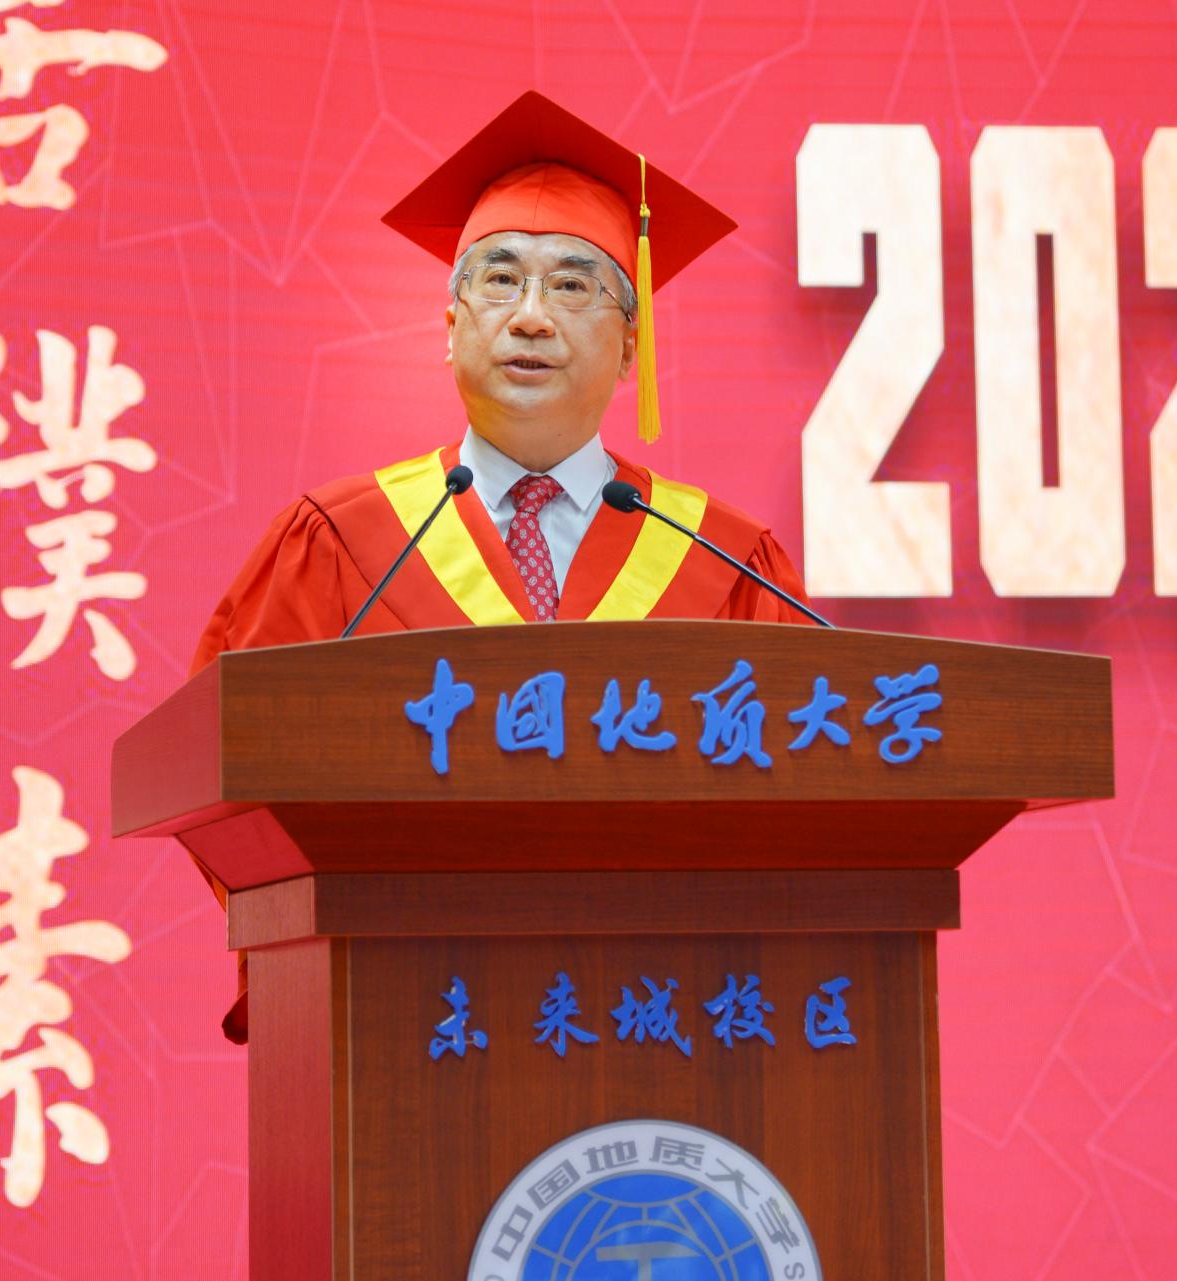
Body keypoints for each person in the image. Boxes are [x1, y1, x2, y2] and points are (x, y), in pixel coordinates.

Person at [189, 91, 815, 1042]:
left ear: (632, 344)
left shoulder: (727, 562)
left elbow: (810, 794)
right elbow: (231, 787)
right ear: (448, 327)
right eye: (499, 280)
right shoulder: (339, 541)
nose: (530, 317)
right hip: (404, 1017)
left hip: (663, 1021)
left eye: (572, 286)